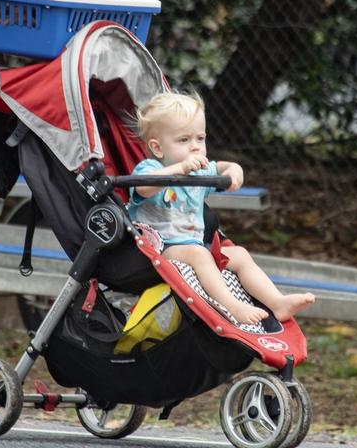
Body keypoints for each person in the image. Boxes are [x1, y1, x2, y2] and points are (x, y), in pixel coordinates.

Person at [128, 92, 315, 324]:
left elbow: (223, 166)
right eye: (184, 140)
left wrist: (233, 170)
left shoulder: (199, 170)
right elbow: (142, 187)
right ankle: (233, 306)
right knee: (200, 255)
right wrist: (179, 169)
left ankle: (278, 303)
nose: (195, 147)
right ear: (157, 148)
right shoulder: (151, 168)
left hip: (194, 245)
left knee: (239, 255)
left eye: (200, 138)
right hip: (159, 248)